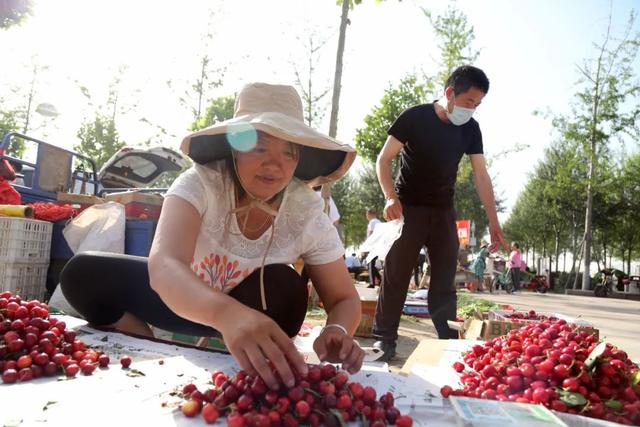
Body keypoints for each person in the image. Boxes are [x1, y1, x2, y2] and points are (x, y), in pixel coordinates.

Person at [59, 82, 364, 389]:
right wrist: (226, 315)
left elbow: (344, 297)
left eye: (289, 151)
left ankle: (251, 356)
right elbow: (166, 264)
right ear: (236, 147)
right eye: (260, 146)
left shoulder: (306, 208)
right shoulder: (200, 183)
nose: (275, 164)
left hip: (257, 317)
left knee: (284, 284)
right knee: (84, 275)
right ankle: (151, 348)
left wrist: (337, 328)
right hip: (186, 302)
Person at [372, 65, 506, 361]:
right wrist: (388, 197)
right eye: (469, 102)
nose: (472, 109)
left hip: (443, 210)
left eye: (478, 104)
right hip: (408, 209)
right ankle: (384, 339)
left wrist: (494, 223)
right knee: (397, 273)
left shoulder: (470, 128)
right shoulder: (415, 117)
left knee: (445, 278)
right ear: (450, 93)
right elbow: (384, 160)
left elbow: (481, 176)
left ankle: (448, 342)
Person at [365, 207, 382, 288]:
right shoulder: (379, 222)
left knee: (370, 263)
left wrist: (367, 246)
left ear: (370, 214)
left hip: (373, 246)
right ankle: (380, 279)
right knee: (372, 264)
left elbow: (371, 234)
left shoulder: (372, 222)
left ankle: (372, 283)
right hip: (378, 245)